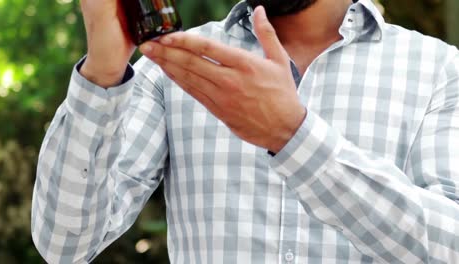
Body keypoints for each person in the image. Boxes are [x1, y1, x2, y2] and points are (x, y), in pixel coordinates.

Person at [31, 0, 459, 262]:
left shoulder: (439, 69)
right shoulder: (174, 67)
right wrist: (103, 71)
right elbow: (64, 246)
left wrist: (294, 138)